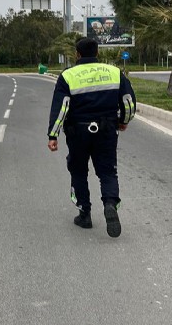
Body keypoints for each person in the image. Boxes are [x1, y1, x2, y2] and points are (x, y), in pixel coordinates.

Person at [47, 37, 136, 238]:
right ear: (97, 52)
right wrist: (124, 120)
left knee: (78, 170)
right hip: (106, 130)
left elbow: (62, 107)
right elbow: (128, 102)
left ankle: (84, 213)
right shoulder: (114, 72)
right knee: (107, 171)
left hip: (78, 132)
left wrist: (53, 134)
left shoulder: (68, 76)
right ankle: (110, 203)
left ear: (77, 54)